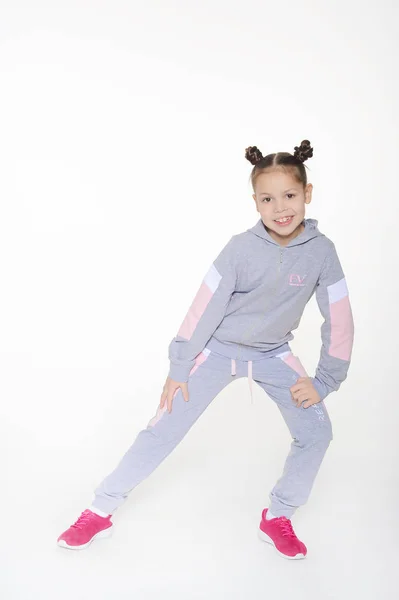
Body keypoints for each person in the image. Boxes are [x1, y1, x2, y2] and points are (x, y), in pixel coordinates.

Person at [57, 139, 354, 559]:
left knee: (317, 432)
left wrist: (325, 380)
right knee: (162, 429)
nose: (280, 207)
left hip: (273, 356)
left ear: (307, 193)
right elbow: (203, 308)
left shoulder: (322, 253)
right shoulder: (240, 248)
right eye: (268, 199)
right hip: (215, 352)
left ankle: (278, 515)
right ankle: (100, 509)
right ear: (255, 202)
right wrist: (181, 364)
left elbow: (339, 317)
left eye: (289, 195)